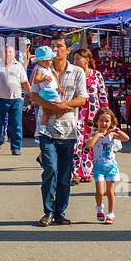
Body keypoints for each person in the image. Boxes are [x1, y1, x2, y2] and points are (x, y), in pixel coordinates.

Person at [31, 37, 89, 227]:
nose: (56, 49)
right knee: (50, 170)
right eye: (53, 46)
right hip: (46, 129)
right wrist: (53, 108)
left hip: (68, 130)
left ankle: (60, 212)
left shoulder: (77, 72)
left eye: (59, 46)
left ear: (68, 50)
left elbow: (82, 99)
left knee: (65, 175)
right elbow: (33, 95)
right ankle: (48, 211)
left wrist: (64, 105)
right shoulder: (41, 70)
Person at [72, 47, 110, 184]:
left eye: (77, 58)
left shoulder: (97, 75)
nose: (74, 61)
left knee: (90, 142)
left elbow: (102, 95)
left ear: (86, 60)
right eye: (74, 59)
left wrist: (106, 114)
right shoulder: (73, 74)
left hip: (93, 115)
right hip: (77, 113)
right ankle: (76, 173)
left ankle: (87, 171)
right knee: (77, 142)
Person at [86, 108, 129, 224]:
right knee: (100, 192)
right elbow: (88, 145)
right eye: (101, 121)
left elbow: (126, 138)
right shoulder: (94, 134)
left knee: (110, 192)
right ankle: (99, 208)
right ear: (96, 121)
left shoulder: (112, 135)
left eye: (107, 121)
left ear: (111, 123)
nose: (104, 123)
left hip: (111, 167)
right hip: (99, 167)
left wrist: (116, 130)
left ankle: (110, 214)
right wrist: (97, 135)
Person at [0, 43, 30, 156]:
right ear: (3, 54)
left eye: (10, 52)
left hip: (15, 99)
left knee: (16, 124)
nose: (8, 54)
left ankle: (16, 148)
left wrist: (31, 95)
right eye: (6, 52)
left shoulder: (18, 66)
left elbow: (25, 82)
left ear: (14, 54)